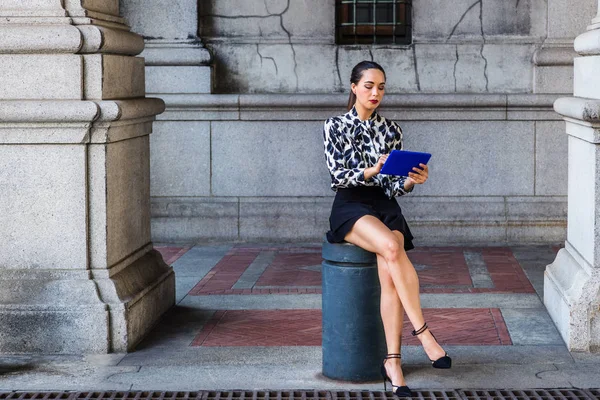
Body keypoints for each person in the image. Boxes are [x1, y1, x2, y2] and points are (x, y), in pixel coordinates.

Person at [322, 60, 451, 397]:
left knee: (389, 268)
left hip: (385, 205)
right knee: (392, 248)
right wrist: (370, 170)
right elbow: (337, 176)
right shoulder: (335, 125)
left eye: (381, 87)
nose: (375, 92)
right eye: (368, 86)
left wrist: (410, 181)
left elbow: (393, 187)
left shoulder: (392, 130)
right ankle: (423, 333)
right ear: (354, 87)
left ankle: (393, 362)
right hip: (351, 204)